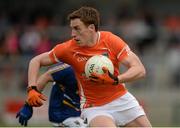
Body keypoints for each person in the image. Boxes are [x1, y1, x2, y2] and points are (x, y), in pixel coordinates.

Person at [26, 6, 152, 127]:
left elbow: (139, 69)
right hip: (94, 107)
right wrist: (32, 88)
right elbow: (36, 61)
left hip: (122, 99)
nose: (72, 34)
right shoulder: (68, 48)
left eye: (77, 28)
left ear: (91, 27)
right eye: (72, 29)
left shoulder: (111, 40)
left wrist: (116, 79)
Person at [16, 63, 86, 127]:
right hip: (62, 115)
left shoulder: (94, 72)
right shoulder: (69, 70)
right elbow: (46, 76)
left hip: (80, 113)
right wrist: (28, 105)